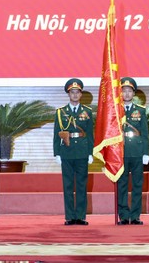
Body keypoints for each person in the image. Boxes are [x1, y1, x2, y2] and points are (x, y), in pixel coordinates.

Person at [53, 78, 94, 226]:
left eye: (77, 92)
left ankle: (81, 216)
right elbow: (56, 133)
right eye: (72, 92)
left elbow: (90, 134)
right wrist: (57, 153)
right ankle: (70, 216)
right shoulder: (60, 112)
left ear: (81, 94)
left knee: (82, 185)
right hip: (67, 152)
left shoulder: (87, 112)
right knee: (68, 185)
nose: (75, 95)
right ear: (68, 94)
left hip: (82, 152)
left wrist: (90, 152)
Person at [118, 77, 149, 225]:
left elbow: (144, 132)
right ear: (120, 93)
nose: (127, 94)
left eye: (130, 91)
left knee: (137, 184)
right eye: (124, 91)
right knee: (122, 185)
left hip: (137, 151)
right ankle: (123, 215)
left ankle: (135, 215)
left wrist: (146, 153)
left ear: (134, 93)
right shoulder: (115, 111)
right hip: (121, 153)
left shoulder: (140, 111)